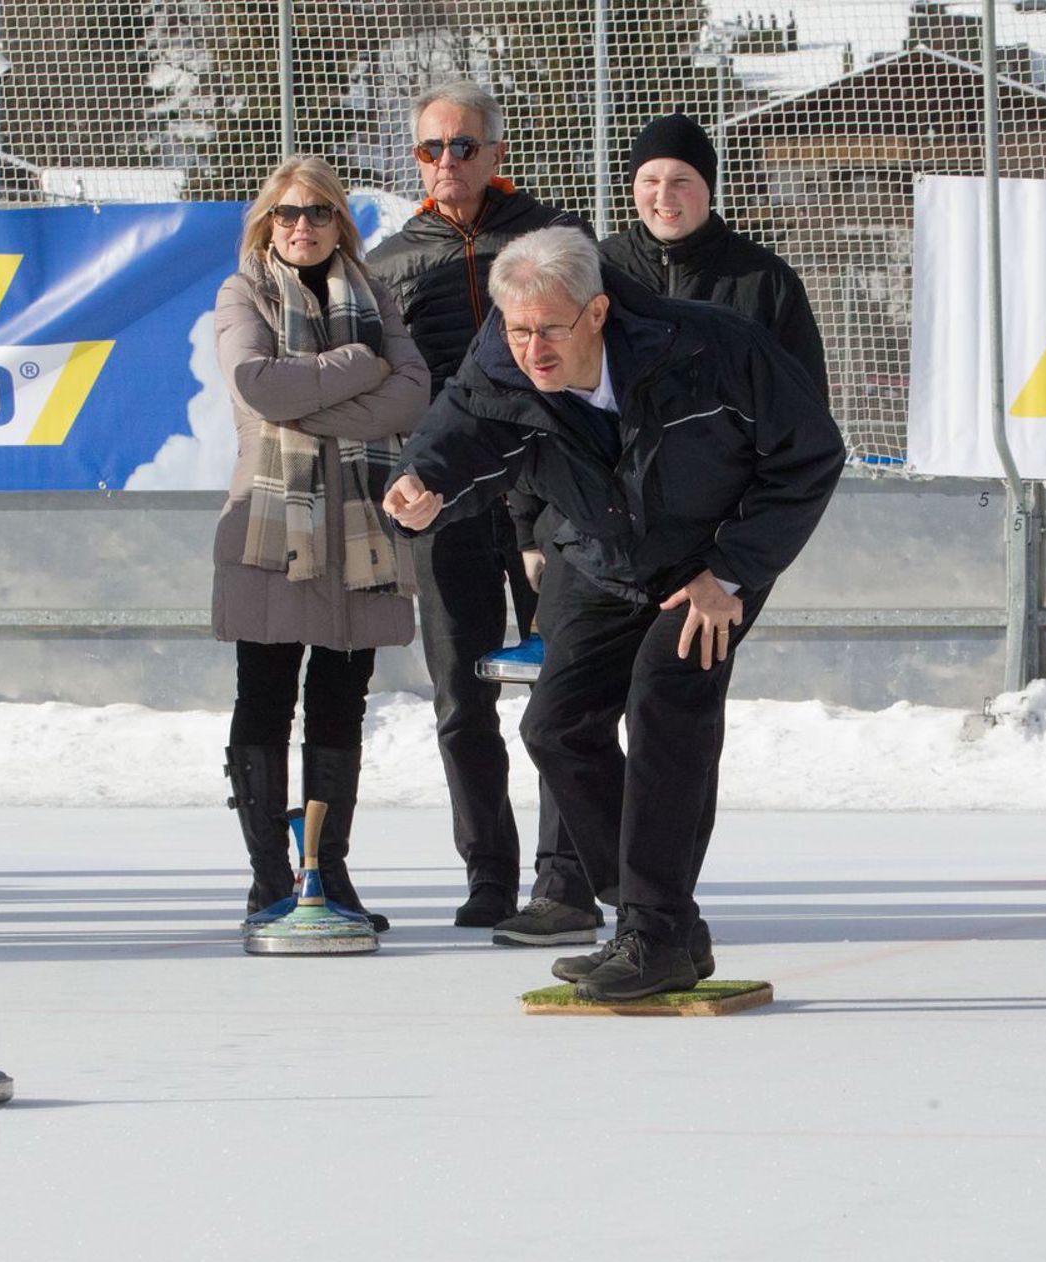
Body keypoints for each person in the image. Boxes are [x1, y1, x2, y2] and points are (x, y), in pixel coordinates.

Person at [382, 227, 844, 1000]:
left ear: (596, 312)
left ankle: (654, 930)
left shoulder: (710, 348)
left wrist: (731, 570)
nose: (532, 349)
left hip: (711, 563)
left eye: (549, 330)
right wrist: (419, 480)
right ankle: (660, 922)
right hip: (603, 553)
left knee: (665, 701)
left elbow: (812, 454)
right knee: (555, 726)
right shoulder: (501, 361)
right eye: (518, 330)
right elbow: (456, 428)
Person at [369, 80, 592, 932]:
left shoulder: (553, 240)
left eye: (464, 146)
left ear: (497, 153)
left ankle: (564, 877)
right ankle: (489, 871)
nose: (448, 162)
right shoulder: (390, 261)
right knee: (462, 698)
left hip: (553, 498)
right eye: (431, 148)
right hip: (450, 502)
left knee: (563, 693)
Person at [213, 156, 428, 934]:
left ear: (341, 221)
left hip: (361, 529)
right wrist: (359, 367)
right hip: (274, 526)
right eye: (287, 213)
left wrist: (311, 401)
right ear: (266, 223)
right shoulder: (244, 292)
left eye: (318, 212)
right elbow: (258, 385)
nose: (302, 225)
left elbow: (413, 396)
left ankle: (326, 870)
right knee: (265, 695)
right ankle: (271, 879)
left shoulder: (377, 295)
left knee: (341, 700)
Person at [598, 113, 827, 400]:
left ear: (708, 188)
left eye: (681, 181)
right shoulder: (600, 269)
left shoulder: (766, 280)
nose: (664, 196)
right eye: (650, 181)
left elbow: (804, 401)